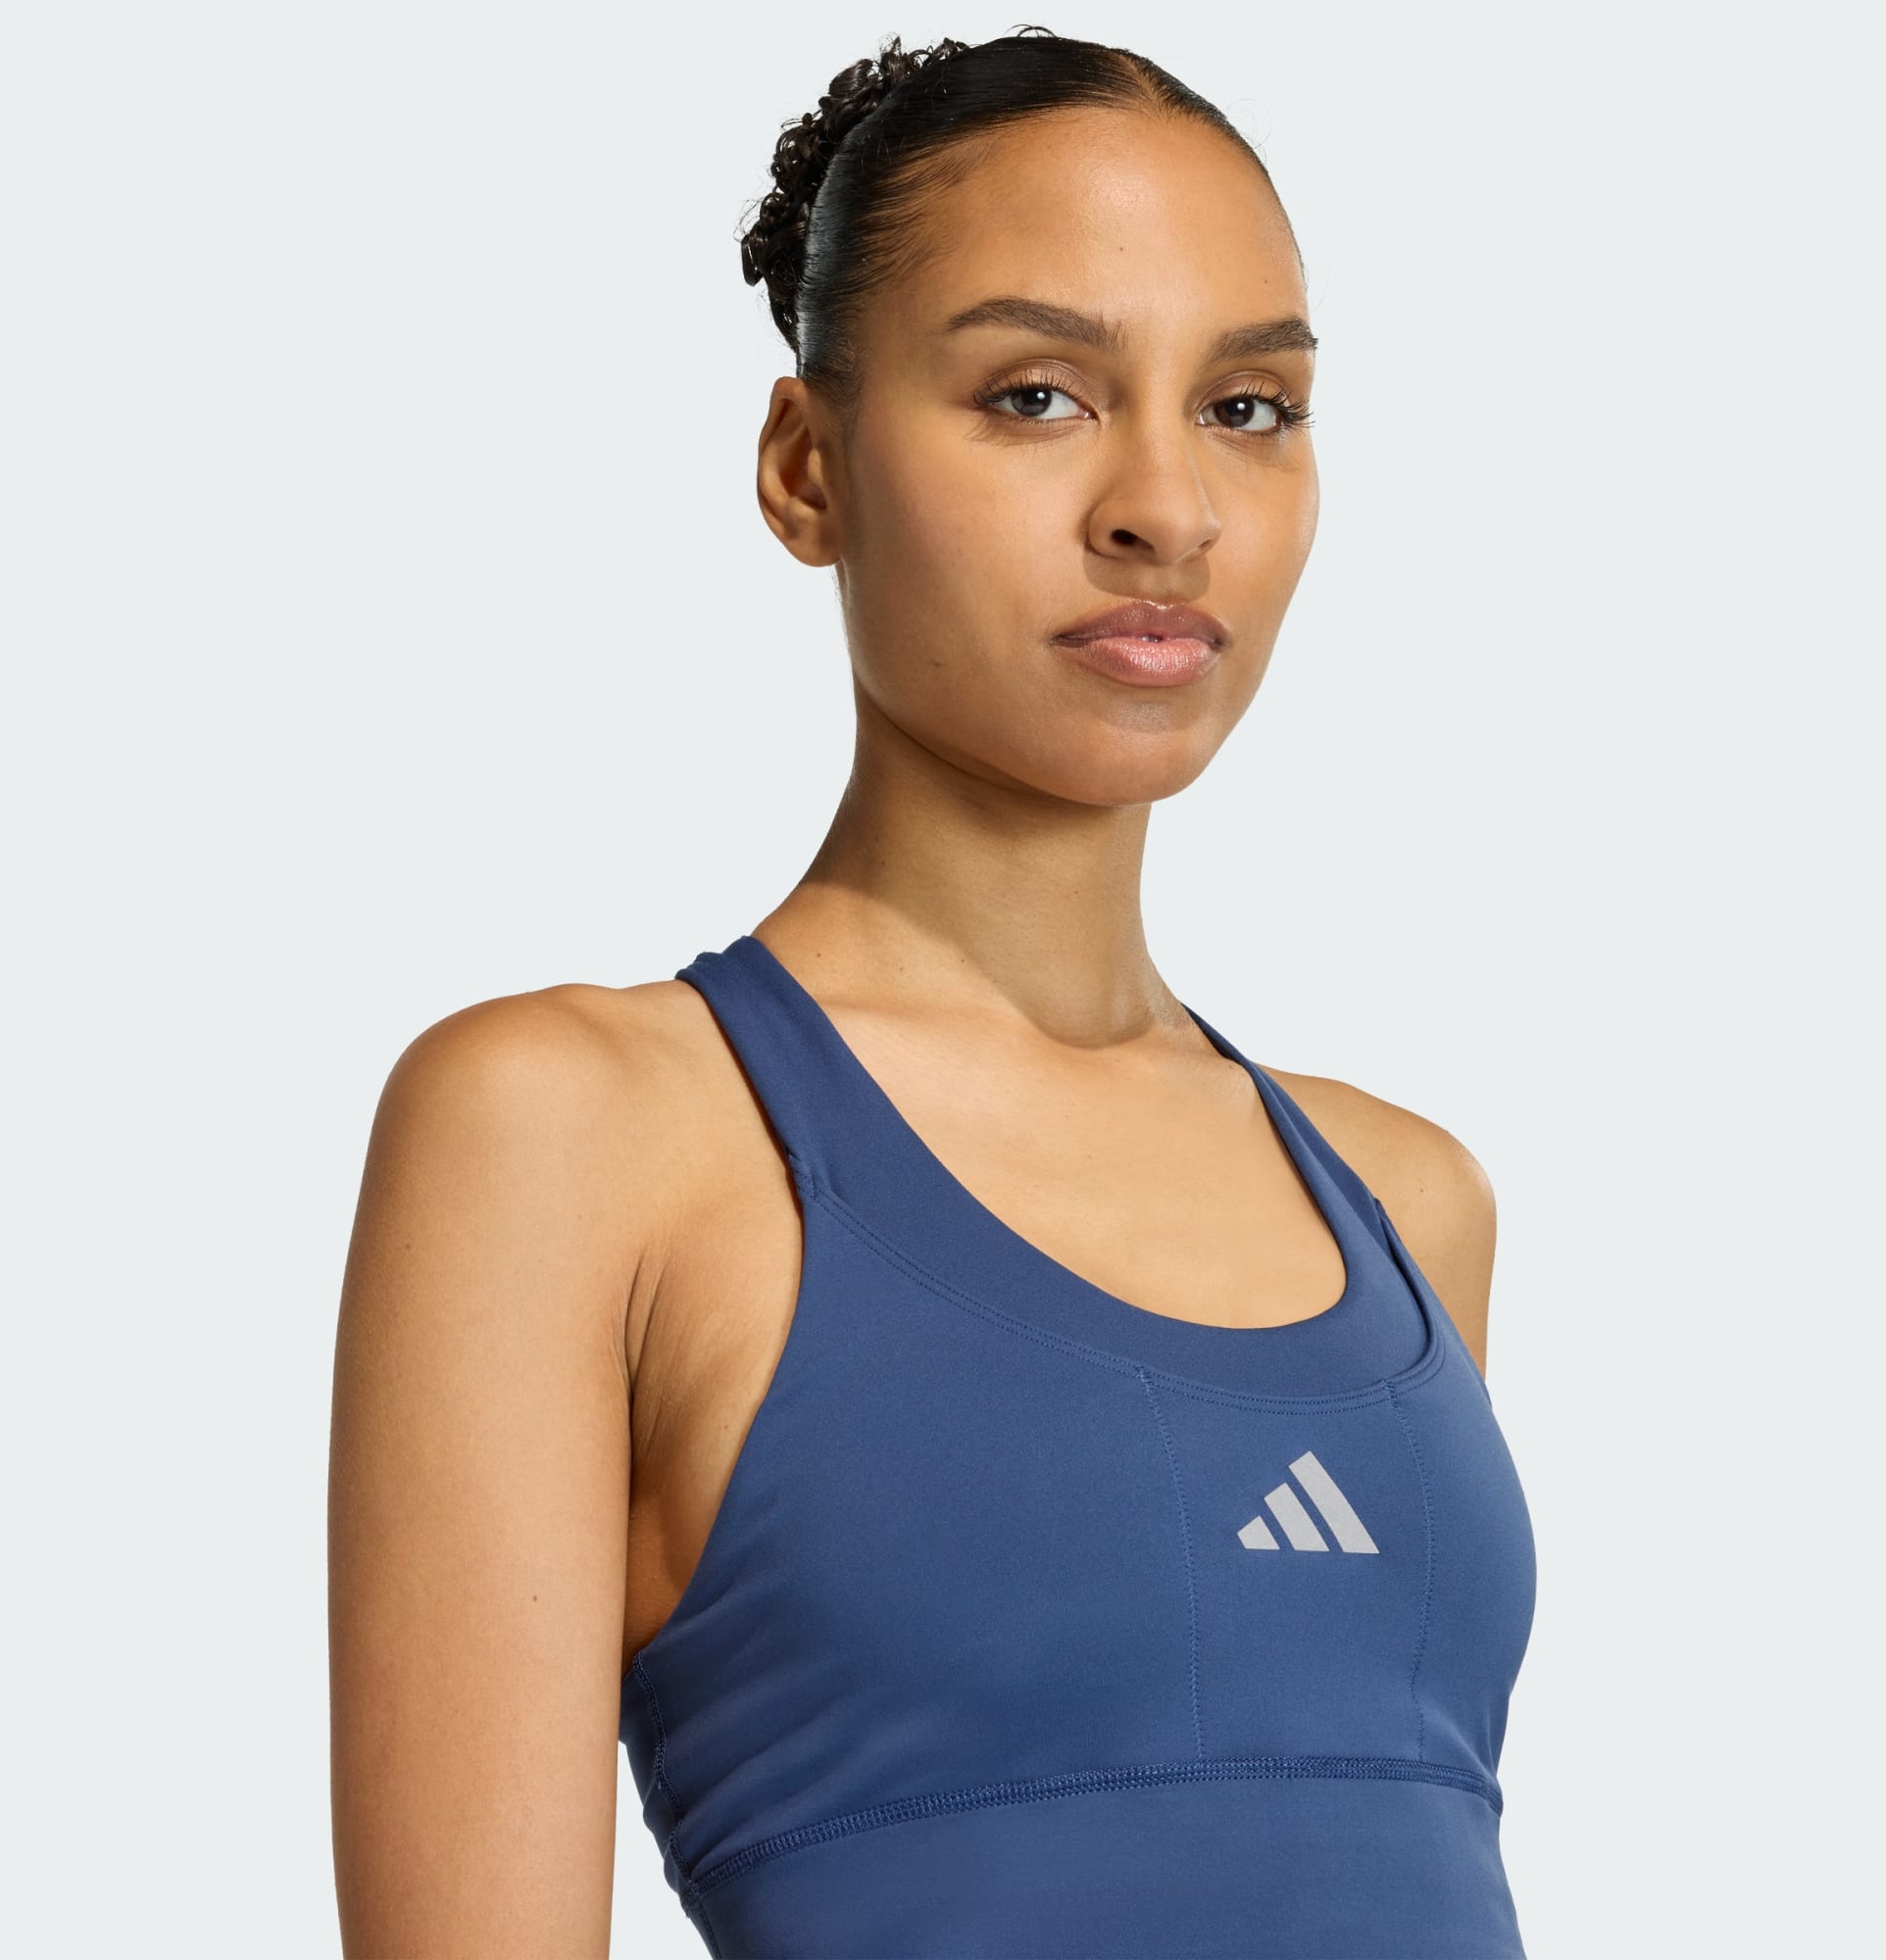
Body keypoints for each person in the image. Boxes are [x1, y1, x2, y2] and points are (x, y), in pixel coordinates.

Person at [328, 27, 1535, 1958]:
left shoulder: (1410, 1200)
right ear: (807, 468)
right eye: (1037, 394)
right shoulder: (578, 1130)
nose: (1166, 507)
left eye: (1247, 406)